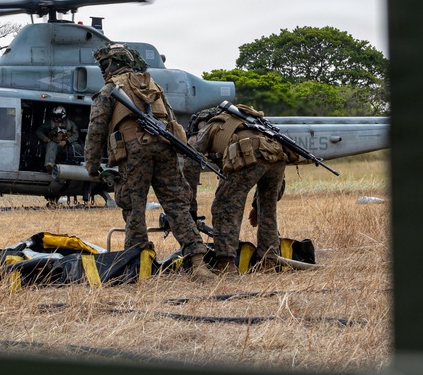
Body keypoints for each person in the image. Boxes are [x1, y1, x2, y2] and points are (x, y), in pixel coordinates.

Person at [83, 43, 214, 280]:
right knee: (177, 205)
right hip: (165, 148)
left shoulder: (110, 90)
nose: (103, 69)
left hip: (135, 152)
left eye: (105, 64)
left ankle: (137, 265)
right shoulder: (152, 86)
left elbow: (96, 129)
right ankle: (197, 262)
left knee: (134, 207)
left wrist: (92, 166)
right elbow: (172, 120)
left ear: (116, 63)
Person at [190, 104, 287, 273]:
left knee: (224, 207)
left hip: (249, 154)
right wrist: (258, 205)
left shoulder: (210, 126)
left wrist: (189, 203)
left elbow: (190, 161)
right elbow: (276, 174)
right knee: (268, 210)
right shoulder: (253, 123)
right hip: (277, 158)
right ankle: (268, 262)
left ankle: (226, 264)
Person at [36, 105, 82, 172]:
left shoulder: (70, 124)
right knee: (51, 145)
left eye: (58, 117)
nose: (56, 119)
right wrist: (45, 138)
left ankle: (78, 164)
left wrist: (67, 141)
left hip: (67, 144)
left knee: (77, 146)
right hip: (55, 144)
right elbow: (39, 131)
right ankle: (49, 164)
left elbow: (75, 135)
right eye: (55, 116)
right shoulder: (50, 123)